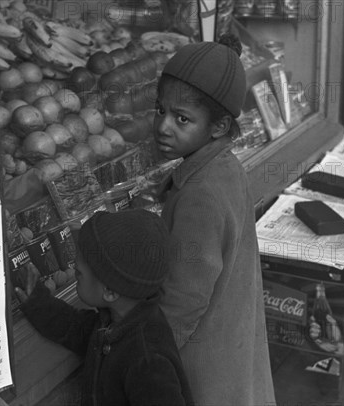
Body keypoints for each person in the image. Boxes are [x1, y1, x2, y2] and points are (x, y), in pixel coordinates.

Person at [153, 34, 276, 405]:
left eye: (182, 119)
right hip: (233, 348)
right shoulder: (225, 168)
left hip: (204, 366)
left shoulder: (200, 195)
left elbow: (184, 297)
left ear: (219, 127)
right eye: (161, 111)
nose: (163, 126)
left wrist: (151, 357)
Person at [16, 209, 194, 406]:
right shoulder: (117, 321)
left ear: (110, 291)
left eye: (82, 266)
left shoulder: (148, 361)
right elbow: (74, 328)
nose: (75, 265)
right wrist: (37, 302)